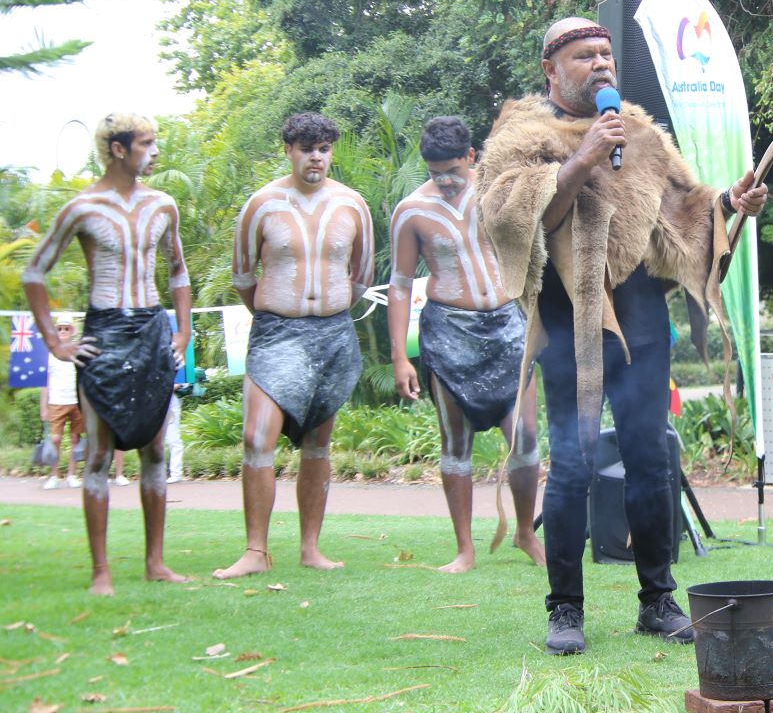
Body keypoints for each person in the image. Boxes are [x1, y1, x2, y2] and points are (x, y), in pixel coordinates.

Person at [477, 16, 767, 654]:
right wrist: (582, 157)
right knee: (574, 463)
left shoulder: (638, 135)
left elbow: (683, 219)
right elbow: (516, 220)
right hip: (566, 320)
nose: (601, 64)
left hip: (639, 318)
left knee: (650, 457)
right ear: (552, 71)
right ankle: (565, 610)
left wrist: (728, 205)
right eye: (584, 56)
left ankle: (657, 601)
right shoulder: (521, 138)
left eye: (606, 53)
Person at [21, 112, 192, 594]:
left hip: (151, 329)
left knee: (155, 449)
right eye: (146, 143)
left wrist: (181, 333)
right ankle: (101, 571)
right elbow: (35, 272)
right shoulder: (82, 208)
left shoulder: (163, 205)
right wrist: (55, 342)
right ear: (118, 149)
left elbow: (177, 272)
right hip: (105, 331)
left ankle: (155, 562)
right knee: (97, 453)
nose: (155, 151)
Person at [213, 112, 372, 579]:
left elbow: (360, 276)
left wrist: (328, 308)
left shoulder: (353, 204)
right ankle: (255, 551)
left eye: (323, 149)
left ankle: (310, 547)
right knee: (256, 437)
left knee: (317, 443)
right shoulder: (261, 204)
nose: (316, 157)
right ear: (289, 151)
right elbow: (243, 277)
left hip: (332, 333)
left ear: (331, 152)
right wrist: (276, 311)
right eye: (306, 149)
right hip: (276, 333)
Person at [388, 115, 545, 572]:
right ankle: (465, 549)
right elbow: (399, 284)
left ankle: (523, 533)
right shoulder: (412, 211)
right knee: (455, 443)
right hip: (450, 330)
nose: (445, 180)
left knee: (527, 436)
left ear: (471, 156)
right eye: (435, 172)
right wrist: (400, 356)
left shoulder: (497, 189)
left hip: (506, 324)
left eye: (453, 169)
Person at [41, 317, 85, 489]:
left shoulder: (77, 352)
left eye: (67, 328)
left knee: (75, 439)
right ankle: (54, 475)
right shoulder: (50, 354)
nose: (63, 331)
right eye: (60, 328)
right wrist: (43, 407)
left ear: (72, 331)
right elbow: (44, 383)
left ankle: (72, 475)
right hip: (56, 402)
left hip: (75, 401)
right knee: (55, 439)